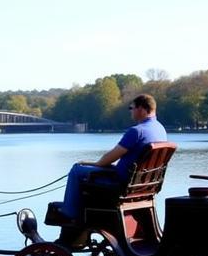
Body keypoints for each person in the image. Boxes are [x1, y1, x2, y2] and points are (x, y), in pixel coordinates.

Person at [55, 94, 168, 225]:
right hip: (142, 186)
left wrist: (96, 164)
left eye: (131, 108)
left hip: (121, 183)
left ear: (141, 109)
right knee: (83, 169)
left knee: (76, 170)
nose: (130, 111)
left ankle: (69, 214)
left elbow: (111, 157)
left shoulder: (137, 131)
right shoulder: (160, 129)